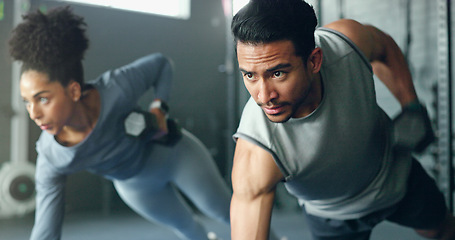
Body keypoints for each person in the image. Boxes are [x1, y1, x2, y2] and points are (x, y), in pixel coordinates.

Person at [229, 0, 455, 239]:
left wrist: (411, 105)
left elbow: (384, 47)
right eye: (250, 75)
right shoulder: (258, 152)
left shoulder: (347, 43)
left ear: (314, 61)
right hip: (333, 215)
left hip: (396, 175)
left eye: (278, 73)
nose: (264, 97)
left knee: (443, 230)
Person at [9, 6, 232, 240]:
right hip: (135, 187)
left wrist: (158, 108)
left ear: (74, 91)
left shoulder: (116, 87)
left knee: (229, 213)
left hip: (174, 155)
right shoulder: (52, 156)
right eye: (27, 102)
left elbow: (161, 65)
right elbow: (45, 232)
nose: (33, 113)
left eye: (43, 99)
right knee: (189, 230)